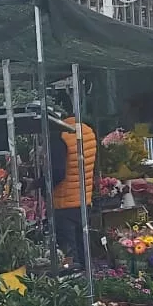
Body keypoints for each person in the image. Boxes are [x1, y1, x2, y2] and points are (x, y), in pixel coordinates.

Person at [48, 109, 98, 268]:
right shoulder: (87, 132)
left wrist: (38, 184)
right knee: (83, 246)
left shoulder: (61, 136)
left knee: (70, 255)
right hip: (84, 199)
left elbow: (57, 173)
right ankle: (89, 281)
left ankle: (77, 285)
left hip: (64, 203)